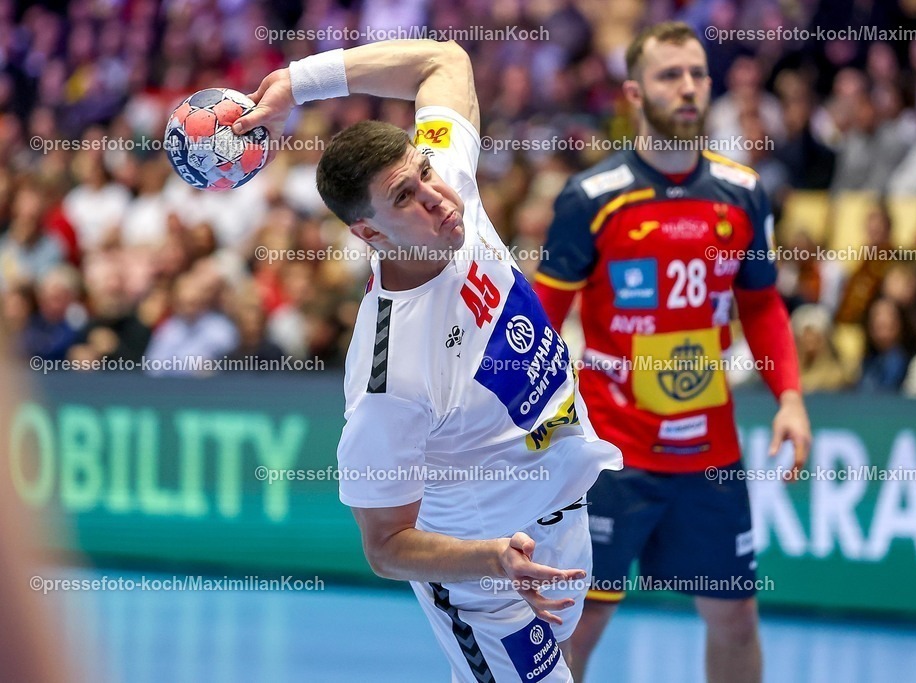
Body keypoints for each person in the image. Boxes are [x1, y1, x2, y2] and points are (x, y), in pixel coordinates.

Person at [233, 39, 622, 682]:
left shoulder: (450, 186)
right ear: (370, 234)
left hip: (563, 508)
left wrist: (297, 83)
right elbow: (385, 547)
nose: (436, 196)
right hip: (479, 570)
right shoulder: (388, 376)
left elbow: (444, 61)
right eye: (406, 195)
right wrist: (491, 561)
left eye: (426, 172)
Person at [532, 22, 812, 683]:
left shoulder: (743, 191)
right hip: (610, 450)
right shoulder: (590, 200)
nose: (687, 87)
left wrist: (791, 398)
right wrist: (527, 426)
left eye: (696, 74)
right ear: (634, 92)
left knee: (736, 618)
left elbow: (763, 304)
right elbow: (544, 322)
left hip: (707, 451)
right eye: (669, 75)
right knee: (581, 621)